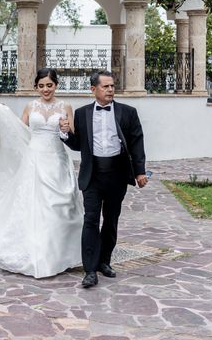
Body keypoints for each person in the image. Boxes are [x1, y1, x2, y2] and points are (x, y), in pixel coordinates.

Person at [0, 68, 83, 278]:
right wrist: (3, 113)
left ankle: (62, 254)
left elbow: (72, 134)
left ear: (56, 85)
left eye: (49, 85)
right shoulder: (29, 106)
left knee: (58, 204)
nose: (45, 89)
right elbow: (20, 130)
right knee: (33, 205)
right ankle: (35, 251)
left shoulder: (66, 106)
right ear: (36, 87)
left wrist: (65, 128)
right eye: (41, 86)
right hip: (34, 160)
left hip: (57, 160)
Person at [59, 70, 148, 288]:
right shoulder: (81, 114)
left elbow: (136, 142)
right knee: (90, 220)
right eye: (105, 86)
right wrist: (64, 134)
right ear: (93, 89)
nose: (110, 90)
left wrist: (140, 171)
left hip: (117, 174)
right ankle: (90, 270)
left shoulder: (128, 112)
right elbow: (78, 145)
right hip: (93, 174)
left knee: (111, 219)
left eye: (112, 86)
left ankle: (104, 262)